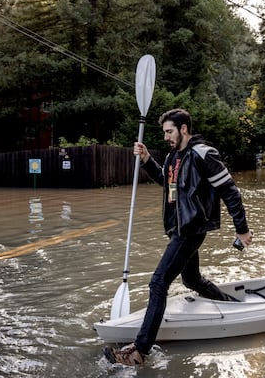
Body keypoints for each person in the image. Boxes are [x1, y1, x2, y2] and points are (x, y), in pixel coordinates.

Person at [103, 108, 253, 366]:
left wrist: (241, 228)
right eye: (164, 132)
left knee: (158, 283)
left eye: (169, 131)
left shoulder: (204, 154)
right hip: (179, 228)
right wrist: (148, 159)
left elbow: (230, 191)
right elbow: (168, 185)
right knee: (192, 279)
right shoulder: (174, 157)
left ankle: (139, 351)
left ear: (184, 129)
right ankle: (230, 304)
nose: (166, 137)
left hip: (191, 230)